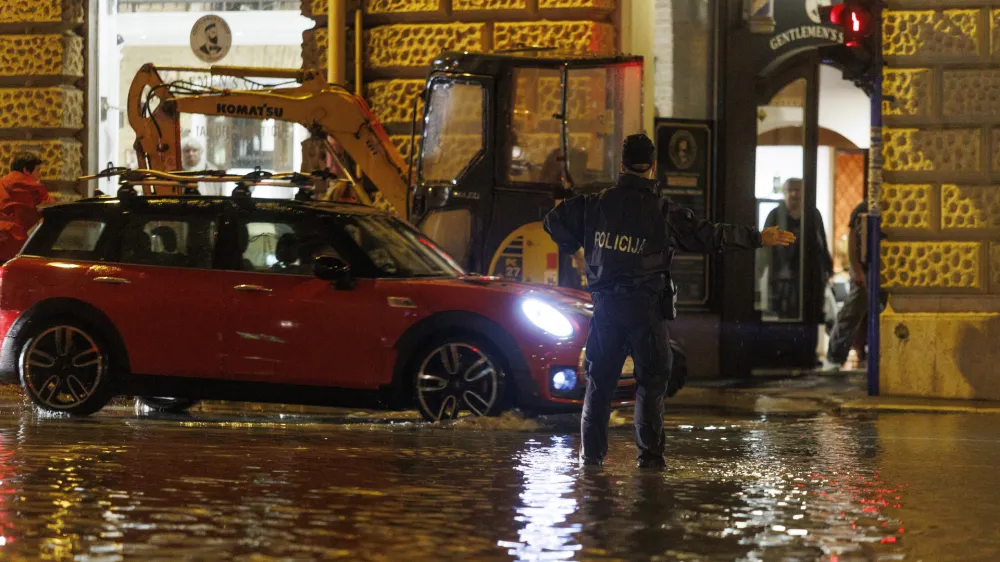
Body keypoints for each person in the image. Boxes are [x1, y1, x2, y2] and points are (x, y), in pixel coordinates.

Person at [543, 133, 795, 469]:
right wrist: (758, 238)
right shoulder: (663, 212)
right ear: (653, 167)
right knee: (651, 383)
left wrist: (576, 248)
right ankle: (649, 458)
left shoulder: (594, 204)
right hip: (646, 313)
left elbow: (553, 222)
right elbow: (709, 235)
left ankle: (592, 457)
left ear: (621, 165)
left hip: (606, 311)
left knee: (600, 384)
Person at [757, 178, 833, 320]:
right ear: (784, 193)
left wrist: (828, 268)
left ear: (804, 193)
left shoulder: (813, 214)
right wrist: (758, 273)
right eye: (789, 190)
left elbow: (822, 242)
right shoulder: (774, 216)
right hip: (782, 281)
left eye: (797, 190)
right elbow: (763, 249)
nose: (793, 194)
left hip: (811, 282)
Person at [823, 200, 869, 370]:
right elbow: (852, 240)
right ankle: (834, 358)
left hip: (882, 269)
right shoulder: (863, 210)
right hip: (865, 269)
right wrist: (857, 270)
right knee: (852, 311)